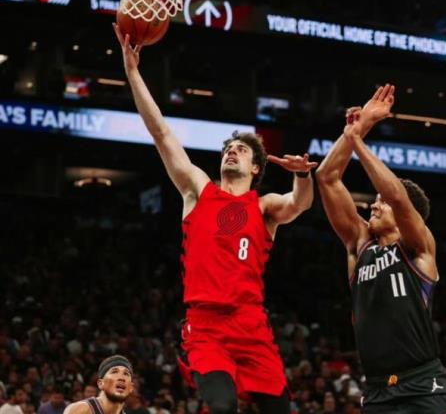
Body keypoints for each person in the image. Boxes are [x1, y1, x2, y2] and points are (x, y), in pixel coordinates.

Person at [113, 25, 317, 414]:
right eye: (228, 149)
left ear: (255, 168)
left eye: (241, 150)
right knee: (222, 406)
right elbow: (161, 132)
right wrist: (133, 72)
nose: (232, 152)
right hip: (206, 325)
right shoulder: (198, 190)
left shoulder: (264, 206)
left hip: (251, 325)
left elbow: (299, 204)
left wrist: (303, 176)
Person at [316, 85, 446, 413]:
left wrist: (358, 143)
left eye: (381, 203)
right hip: (377, 388)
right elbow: (327, 177)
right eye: (374, 202)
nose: (374, 206)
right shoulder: (360, 245)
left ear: (409, 216)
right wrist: (357, 129)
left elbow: (396, 196)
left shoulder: (419, 248)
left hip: (422, 384)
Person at [63, 355, 134, 414]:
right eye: (114, 372)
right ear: (100, 383)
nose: (121, 378)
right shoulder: (80, 410)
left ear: (131, 387)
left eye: (126, 374)